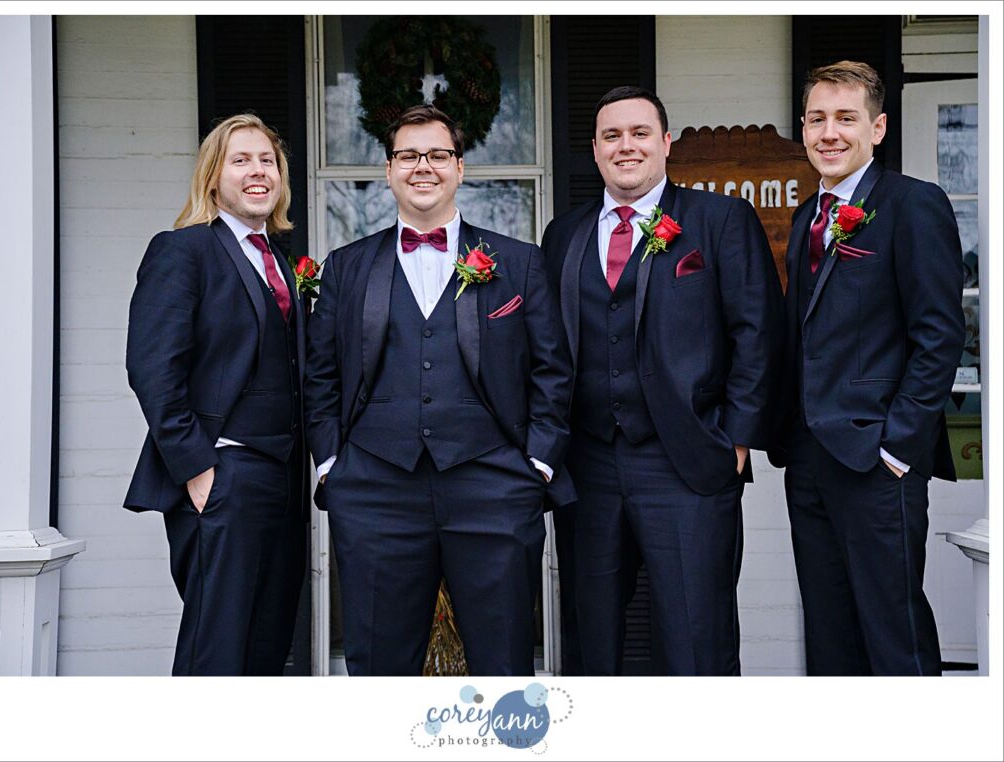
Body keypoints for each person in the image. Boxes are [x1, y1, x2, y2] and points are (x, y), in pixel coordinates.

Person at [305, 105, 573, 676]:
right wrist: (331, 463)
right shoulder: (346, 268)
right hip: (375, 489)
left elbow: (553, 369)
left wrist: (539, 466)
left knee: (503, 665)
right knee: (379, 666)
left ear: (460, 168)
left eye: (437, 155)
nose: (422, 166)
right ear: (388, 170)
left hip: (495, 485)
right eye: (408, 155)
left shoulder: (518, 264)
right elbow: (319, 373)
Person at [541, 85, 783, 675]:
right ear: (595, 150)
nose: (627, 146)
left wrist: (737, 442)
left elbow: (757, 331)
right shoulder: (563, 235)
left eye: (640, 133)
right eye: (612, 136)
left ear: (666, 143)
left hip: (691, 461)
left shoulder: (720, 220)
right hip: (589, 467)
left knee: (697, 640)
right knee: (590, 641)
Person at [768, 61, 965, 675]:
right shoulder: (808, 218)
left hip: (878, 462)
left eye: (845, 118)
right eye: (817, 118)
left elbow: (939, 336)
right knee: (829, 636)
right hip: (810, 461)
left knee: (892, 631)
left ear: (877, 129)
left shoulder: (913, 205)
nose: (829, 132)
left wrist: (898, 447)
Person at [124, 114, 309, 675]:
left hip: (282, 482)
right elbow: (152, 369)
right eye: (241, 160)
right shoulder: (183, 251)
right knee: (217, 652)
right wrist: (198, 469)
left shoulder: (279, 258)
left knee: (267, 648)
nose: (259, 172)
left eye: (267, 161)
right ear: (212, 176)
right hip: (220, 475)